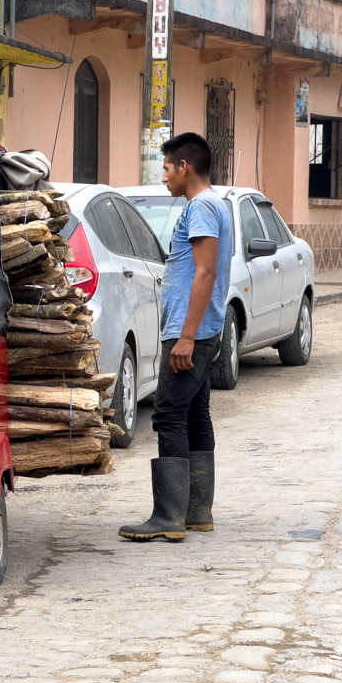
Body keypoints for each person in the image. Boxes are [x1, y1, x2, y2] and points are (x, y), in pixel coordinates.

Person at [119, 132, 233, 543]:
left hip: (191, 333)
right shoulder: (213, 204)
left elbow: (205, 273)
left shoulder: (201, 207)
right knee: (194, 413)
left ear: (184, 166)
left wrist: (186, 337)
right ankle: (197, 512)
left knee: (167, 414)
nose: (163, 176)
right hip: (203, 330)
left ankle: (169, 517)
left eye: (166, 168)